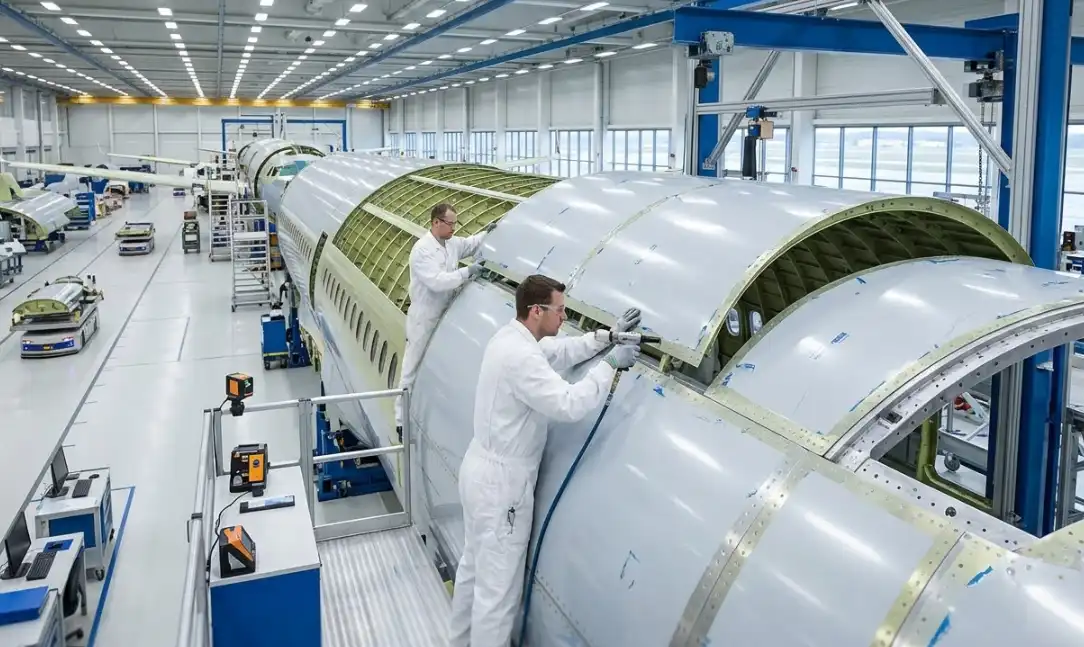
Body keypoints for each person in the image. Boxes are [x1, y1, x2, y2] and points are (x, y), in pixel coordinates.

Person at [448, 274, 642, 647]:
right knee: (497, 596)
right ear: (537, 311)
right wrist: (610, 366)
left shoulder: (511, 339)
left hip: (480, 472)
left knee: (472, 573)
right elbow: (568, 404)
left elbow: (562, 351)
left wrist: (606, 338)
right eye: (560, 310)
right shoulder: (521, 357)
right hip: (502, 487)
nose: (564, 317)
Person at [395, 202, 496, 438]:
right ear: (436, 222)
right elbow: (437, 281)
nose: (454, 228)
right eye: (450, 223)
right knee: (411, 367)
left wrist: (489, 233)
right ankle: (401, 419)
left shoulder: (451, 243)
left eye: (455, 223)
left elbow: (469, 244)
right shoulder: (422, 250)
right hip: (425, 316)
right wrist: (467, 272)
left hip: (446, 312)